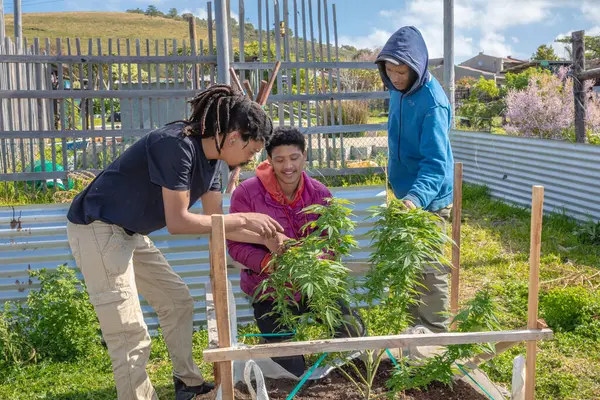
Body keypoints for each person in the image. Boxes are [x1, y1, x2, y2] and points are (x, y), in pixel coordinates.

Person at [66, 85, 284, 400]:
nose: (250, 160)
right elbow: (179, 222)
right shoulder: (175, 146)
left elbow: (217, 226)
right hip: (96, 227)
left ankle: (189, 385)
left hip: (129, 231)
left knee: (177, 301)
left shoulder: (214, 164)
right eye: (251, 152)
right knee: (129, 334)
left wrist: (272, 238)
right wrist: (245, 219)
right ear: (235, 137)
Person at [227, 126, 364, 377]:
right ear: (269, 160)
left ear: (304, 156)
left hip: (315, 286)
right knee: (289, 369)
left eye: (294, 158)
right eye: (279, 160)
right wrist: (270, 262)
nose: (287, 166)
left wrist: (312, 264)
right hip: (270, 289)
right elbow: (235, 245)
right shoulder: (247, 193)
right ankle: (275, 351)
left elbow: (331, 243)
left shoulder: (320, 193)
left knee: (353, 332)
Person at [375, 26, 454, 333]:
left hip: (429, 198)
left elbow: (436, 163)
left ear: (417, 66)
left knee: (430, 268)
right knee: (409, 264)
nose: (394, 77)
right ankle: (412, 330)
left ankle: (434, 333)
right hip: (407, 195)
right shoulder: (399, 91)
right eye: (389, 70)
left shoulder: (433, 103)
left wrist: (416, 198)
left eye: (401, 71)